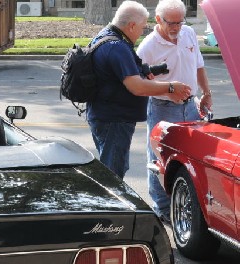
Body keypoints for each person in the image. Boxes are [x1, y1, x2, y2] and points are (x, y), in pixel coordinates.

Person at [86, 0, 191, 180]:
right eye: (142, 28)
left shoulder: (105, 37)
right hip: (114, 121)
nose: (142, 32)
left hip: (105, 116)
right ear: (132, 25)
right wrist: (171, 87)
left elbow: (118, 76)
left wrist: (145, 71)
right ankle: (113, 208)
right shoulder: (117, 47)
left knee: (111, 168)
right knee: (113, 175)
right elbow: (137, 87)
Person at [137, 0, 212, 224]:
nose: (176, 27)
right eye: (171, 23)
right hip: (163, 108)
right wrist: (168, 92)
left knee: (192, 157)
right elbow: (138, 82)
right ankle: (161, 208)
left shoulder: (188, 34)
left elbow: (198, 65)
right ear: (158, 20)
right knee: (159, 159)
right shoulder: (148, 46)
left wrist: (206, 92)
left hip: (190, 106)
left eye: (180, 22)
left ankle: (188, 200)